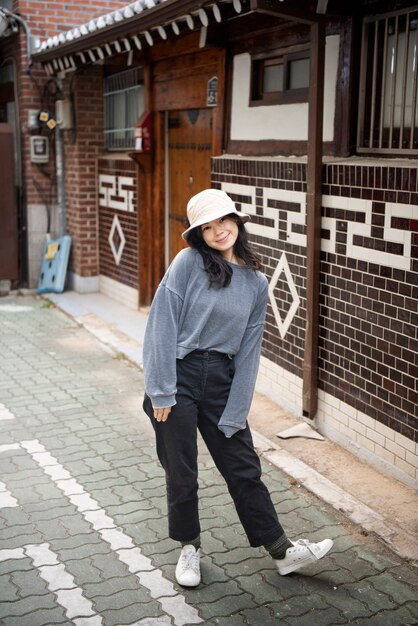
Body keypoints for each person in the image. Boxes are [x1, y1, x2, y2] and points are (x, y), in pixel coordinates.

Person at [142, 188, 333, 587]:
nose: (218, 230)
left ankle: (282, 551)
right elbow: (161, 323)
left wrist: (237, 407)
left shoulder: (256, 282)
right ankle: (189, 548)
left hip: (222, 381)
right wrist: (160, 389)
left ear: (237, 221)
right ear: (198, 234)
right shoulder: (188, 264)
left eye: (223, 221)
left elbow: (249, 350)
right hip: (178, 376)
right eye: (207, 227)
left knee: (244, 469)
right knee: (182, 471)